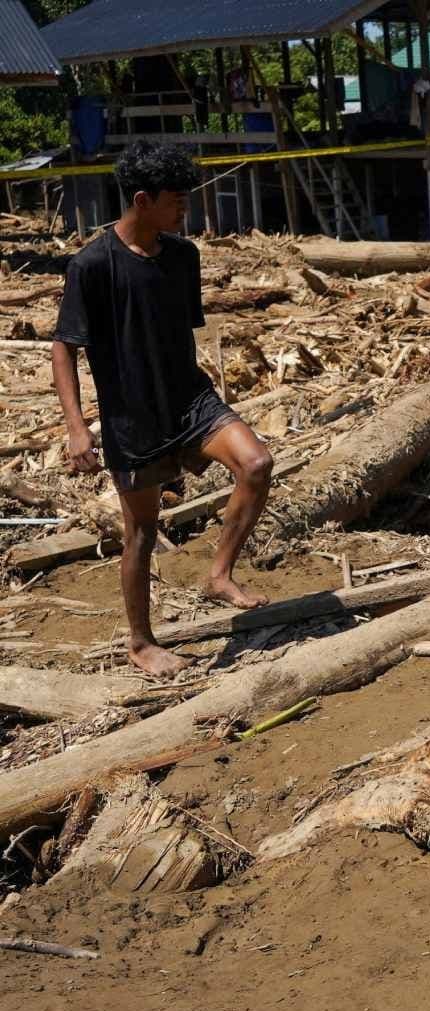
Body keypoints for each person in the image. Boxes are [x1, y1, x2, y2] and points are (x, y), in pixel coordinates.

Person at [52, 141, 273, 678]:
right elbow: (64, 346)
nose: (184, 210)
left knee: (257, 464)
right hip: (133, 416)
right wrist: (78, 428)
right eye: (177, 201)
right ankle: (141, 642)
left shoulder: (183, 257)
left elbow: (173, 333)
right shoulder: (93, 265)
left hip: (190, 401)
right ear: (143, 199)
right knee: (142, 534)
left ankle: (218, 574)